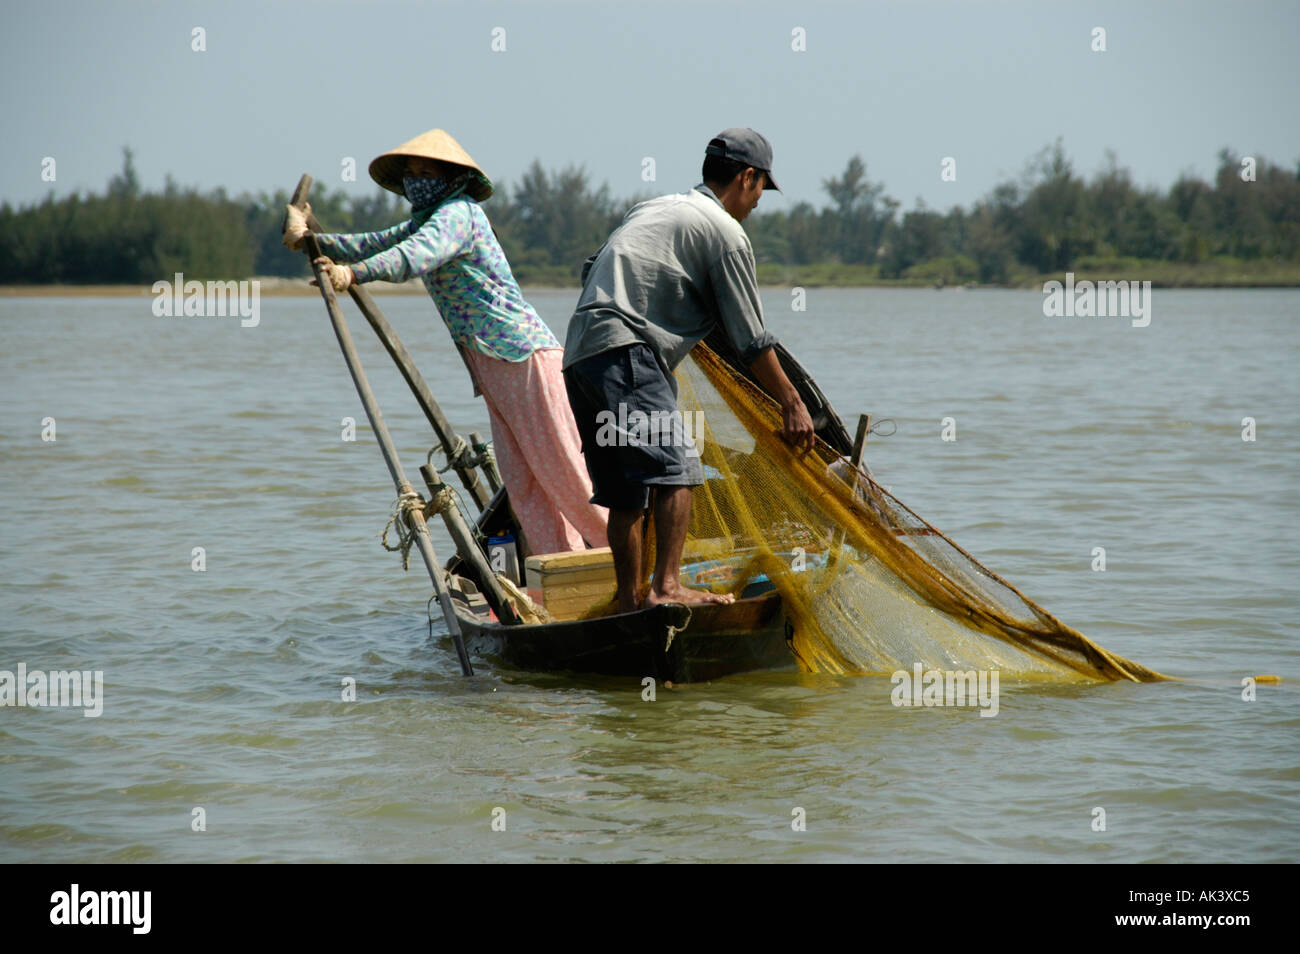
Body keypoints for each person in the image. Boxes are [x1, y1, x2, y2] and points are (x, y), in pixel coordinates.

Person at [283, 128, 608, 556]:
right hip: (494, 369)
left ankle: (630, 565)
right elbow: (377, 243)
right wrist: (310, 239)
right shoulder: (428, 219)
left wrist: (354, 274)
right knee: (525, 484)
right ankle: (562, 575)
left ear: (452, 177)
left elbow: (414, 256)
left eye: (426, 171)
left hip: (521, 356)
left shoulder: (458, 215)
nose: (417, 178)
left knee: (563, 473)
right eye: (411, 172)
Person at [563, 128, 815, 614]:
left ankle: (631, 602)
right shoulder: (725, 233)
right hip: (629, 352)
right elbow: (752, 340)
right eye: (762, 187)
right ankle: (667, 588)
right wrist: (792, 401)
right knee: (678, 468)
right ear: (747, 177)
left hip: (580, 355)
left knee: (625, 490)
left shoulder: (654, 208)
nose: (759, 201)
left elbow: (591, 269)